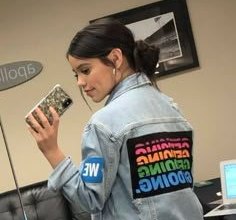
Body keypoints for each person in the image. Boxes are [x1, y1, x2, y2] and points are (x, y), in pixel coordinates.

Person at [27, 18, 204, 220]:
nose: (80, 82)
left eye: (85, 70)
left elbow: (88, 200)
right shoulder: (172, 109)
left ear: (116, 58)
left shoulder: (104, 123)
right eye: (75, 74)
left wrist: (51, 151)